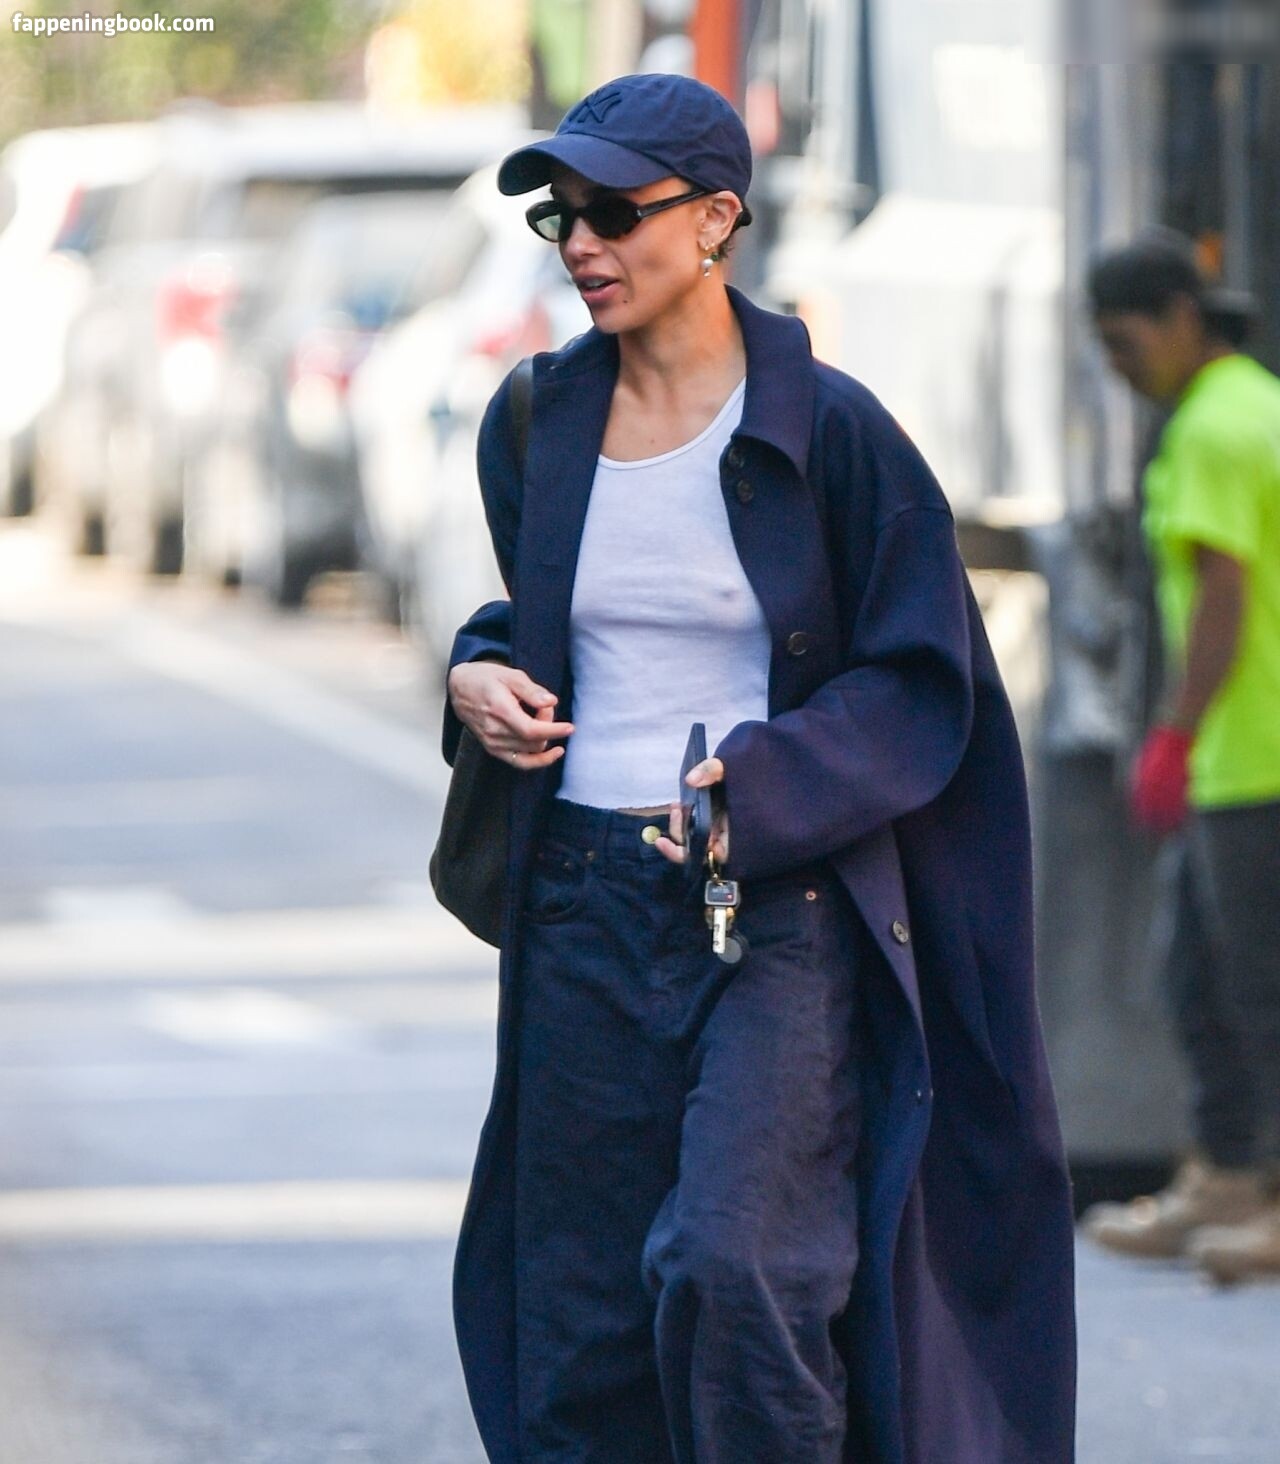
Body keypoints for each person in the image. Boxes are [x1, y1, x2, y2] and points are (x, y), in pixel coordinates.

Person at [443, 72, 1076, 1462]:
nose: (581, 245)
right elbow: (560, 622)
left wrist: (769, 786)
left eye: (616, 214)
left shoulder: (831, 430)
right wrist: (475, 671)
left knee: (738, 1273)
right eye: (562, 218)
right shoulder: (535, 420)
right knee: (585, 1320)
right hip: (579, 902)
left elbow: (922, 679)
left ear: (717, 219)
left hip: (773, 910)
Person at [1083, 232, 1280, 1283]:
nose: (1118, 367)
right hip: (1234, 758)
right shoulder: (1249, 403)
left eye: (1125, 343)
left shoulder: (1211, 427)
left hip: (1251, 756)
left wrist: (1173, 731)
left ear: (1180, 318)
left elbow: (1222, 592)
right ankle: (1228, 1176)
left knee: (1256, 988)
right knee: (1196, 975)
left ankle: (1263, 1188)